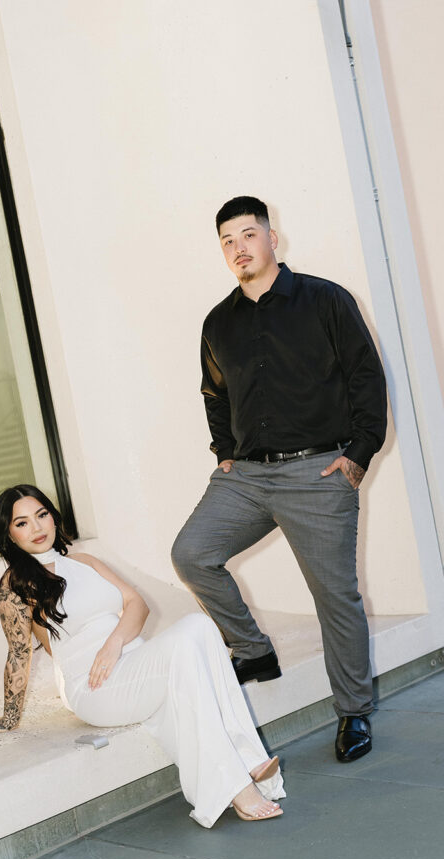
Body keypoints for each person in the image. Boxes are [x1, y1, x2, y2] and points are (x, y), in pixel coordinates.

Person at [171, 196, 387, 764]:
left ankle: (354, 712)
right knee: (192, 554)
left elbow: (366, 376)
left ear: (272, 238)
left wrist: (359, 453)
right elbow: (213, 391)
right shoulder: (218, 322)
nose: (239, 248)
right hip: (246, 476)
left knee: (334, 597)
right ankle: (253, 650)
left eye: (248, 234)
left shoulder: (325, 300)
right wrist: (223, 452)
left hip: (319, 471)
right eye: (228, 241)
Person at [0, 483, 286, 828]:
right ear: (8, 535)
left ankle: (241, 766)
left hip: (132, 662)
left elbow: (136, 605)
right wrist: (9, 717)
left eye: (41, 515)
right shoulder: (15, 584)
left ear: (53, 516)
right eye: (21, 523)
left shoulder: (85, 561)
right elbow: (19, 653)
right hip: (93, 683)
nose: (36, 528)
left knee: (199, 626)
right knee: (186, 642)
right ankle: (243, 773)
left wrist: (113, 644)